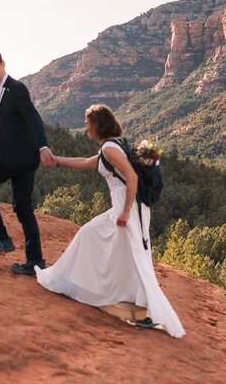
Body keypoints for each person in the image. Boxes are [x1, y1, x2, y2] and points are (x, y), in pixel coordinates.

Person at [36, 103, 185, 337]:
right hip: (124, 206)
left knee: (136, 255)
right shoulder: (107, 148)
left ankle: (149, 314)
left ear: (98, 125)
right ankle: (70, 282)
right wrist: (56, 159)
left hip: (130, 207)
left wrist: (125, 212)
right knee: (91, 234)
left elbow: (133, 178)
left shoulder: (109, 148)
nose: (86, 129)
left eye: (88, 124)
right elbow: (86, 163)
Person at [0, 48, 53, 275]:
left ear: (3, 64)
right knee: (22, 207)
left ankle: (1, 239)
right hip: (21, 157)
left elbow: (33, 118)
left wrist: (43, 146)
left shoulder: (16, 89)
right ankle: (35, 261)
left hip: (18, 157)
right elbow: (0, 129)